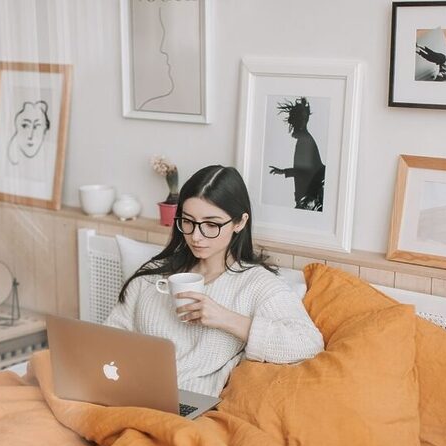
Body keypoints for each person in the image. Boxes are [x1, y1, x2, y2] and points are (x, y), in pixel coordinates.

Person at [105, 165, 324, 397]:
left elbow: (308, 344)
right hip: (128, 392)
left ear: (239, 223)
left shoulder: (257, 285)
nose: (196, 236)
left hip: (187, 408)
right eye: (188, 221)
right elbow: (108, 337)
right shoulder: (153, 275)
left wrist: (226, 319)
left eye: (211, 224)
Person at [268, 97, 325, 211]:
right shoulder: (304, 140)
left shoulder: (305, 141)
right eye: (300, 118)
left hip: (311, 198)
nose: (301, 122)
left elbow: (305, 171)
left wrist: (283, 171)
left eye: (303, 118)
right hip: (309, 197)